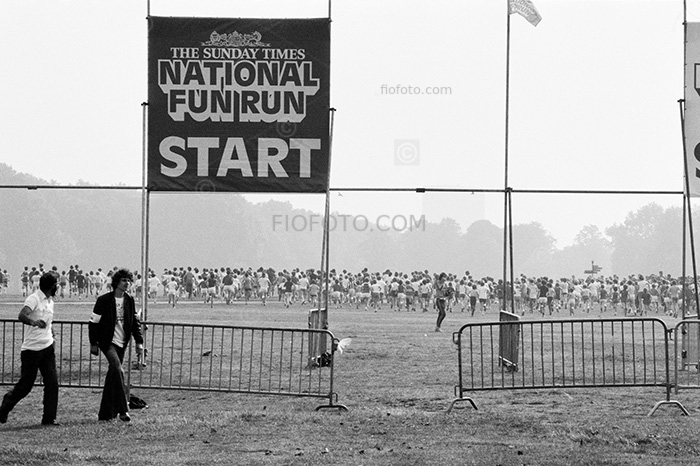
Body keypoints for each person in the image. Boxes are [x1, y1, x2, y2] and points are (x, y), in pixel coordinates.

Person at [0, 272, 61, 426]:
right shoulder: (34, 298)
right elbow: (22, 315)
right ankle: (8, 402)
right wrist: (33, 322)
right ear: (52, 286)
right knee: (26, 386)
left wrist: (52, 336)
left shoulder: (50, 301)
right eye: (56, 285)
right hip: (31, 350)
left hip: (47, 347)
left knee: (52, 383)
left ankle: (49, 418)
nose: (57, 288)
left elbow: (48, 322)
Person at [89, 268, 144, 422]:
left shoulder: (129, 300)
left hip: (122, 343)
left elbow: (134, 323)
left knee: (113, 376)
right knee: (119, 370)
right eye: (124, 280)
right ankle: (123, 410)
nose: (127, 283)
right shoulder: (104, 300)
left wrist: (139, 342)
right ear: (116, 283)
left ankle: (105, 414)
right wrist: (93, 343)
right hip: (108, 343)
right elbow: (93, 323)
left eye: (129, 280)